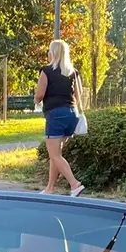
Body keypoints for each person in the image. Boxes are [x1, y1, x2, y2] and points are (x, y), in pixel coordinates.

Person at [33, 39, 85, 198]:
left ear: (53, 53)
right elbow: (79, 94)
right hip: (72, 114)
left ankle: (75, 184)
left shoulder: (46, 70)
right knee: (55, 153)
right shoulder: (73, 72)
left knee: (55, 155)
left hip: (56, 115)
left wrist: (36, 101)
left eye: (49, 50)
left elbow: (40, 94)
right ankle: (49, 188)